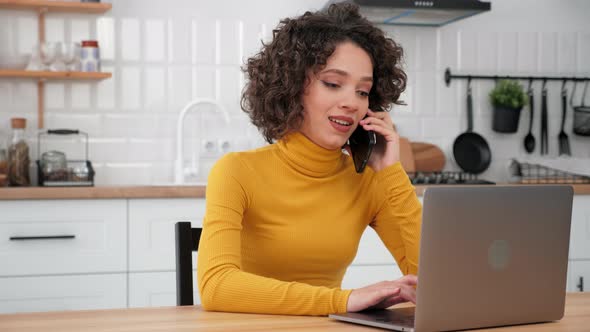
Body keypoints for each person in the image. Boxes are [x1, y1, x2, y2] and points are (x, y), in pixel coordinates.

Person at [197, 2, 421, 316]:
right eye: (332, 84)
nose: (351, 103)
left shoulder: (368, 181)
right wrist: (342, 300)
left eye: (362, 91)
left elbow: (434, 279)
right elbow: (217, 286)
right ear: (292, 87)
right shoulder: (236, 172)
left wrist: (391, 173)